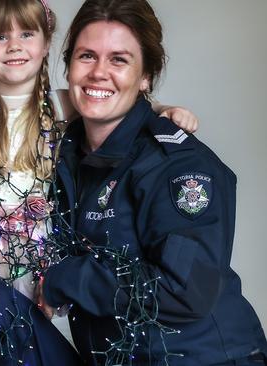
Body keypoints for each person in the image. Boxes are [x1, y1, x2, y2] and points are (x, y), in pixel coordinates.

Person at [0, 0, 197, 364]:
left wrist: (165, 111)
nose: (14, 45)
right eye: (0, 36)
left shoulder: (63, 104)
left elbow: (127, 104)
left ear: (47, 42)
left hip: (36, 249)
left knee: (24, 334)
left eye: (27, 34)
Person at [39, 0, 267, 365]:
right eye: (86, 56)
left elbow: (186, 290)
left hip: (204, 358)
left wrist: (65, 279)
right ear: (68, 67)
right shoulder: (62, 150)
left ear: (146, 76)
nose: (99, 72)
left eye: (119, 60)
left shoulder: (177, 164)